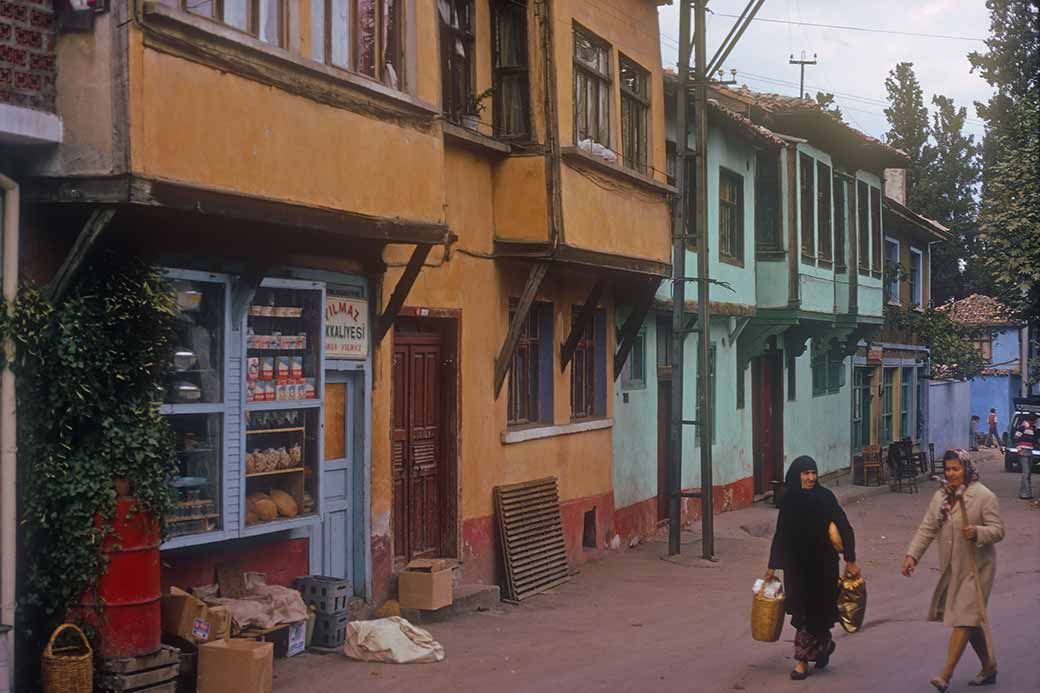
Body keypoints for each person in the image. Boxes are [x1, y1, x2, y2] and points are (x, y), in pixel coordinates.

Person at [902, 450, 1005, 691]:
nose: (951, 474)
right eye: (948, 469)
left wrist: (978, 532)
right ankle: (989, 665)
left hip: (977, 569)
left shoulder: (984, 496)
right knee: (971, 619)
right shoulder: (942, 497)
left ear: (966, 469)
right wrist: (912, 555)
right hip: (953, 567)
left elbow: (998, 530)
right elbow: (927, 528)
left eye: (956, 469)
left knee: (964, 617)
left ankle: (945, 675)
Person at [764, 456, 860, 680]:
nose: (810, 478)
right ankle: (810, 656)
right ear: (797, 475)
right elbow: (782, 534)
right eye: (805, 473)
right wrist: (772, 566)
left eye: (813, 473)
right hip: (796, 567)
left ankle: (812, 655)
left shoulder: (825, 497)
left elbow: (844, 526)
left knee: (820, 613)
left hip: (823, 567)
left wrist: (851, 559)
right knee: (802, 613)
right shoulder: (789, 501)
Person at [1013, 415, 1035, 500]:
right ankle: (1026, 494)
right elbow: (1015, 439)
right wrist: (1019, 449)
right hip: (1023, 451)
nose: (1035, 422)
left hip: (1030, 451)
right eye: (1034, 421)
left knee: (1028, 473)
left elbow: (1034, 441)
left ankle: (1023, 493)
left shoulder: (1033, 429)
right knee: (1026, 473)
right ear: (1030, 420)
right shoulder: (1022, 428)